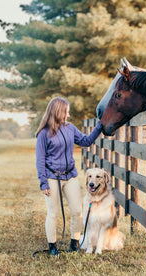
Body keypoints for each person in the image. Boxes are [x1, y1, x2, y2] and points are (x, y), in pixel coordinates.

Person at [35, 96, 102, 256]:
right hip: (52, 178)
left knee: (77, 211)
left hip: (70, 176)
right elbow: (40, 160)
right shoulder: (43, 134)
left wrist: (100, 126)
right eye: (66, 112)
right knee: (53, 213)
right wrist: (43, 182)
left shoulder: (70, 128)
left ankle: (75, 244)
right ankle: (52, 247)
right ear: (58, 112)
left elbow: (85, 141)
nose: (68, 115)